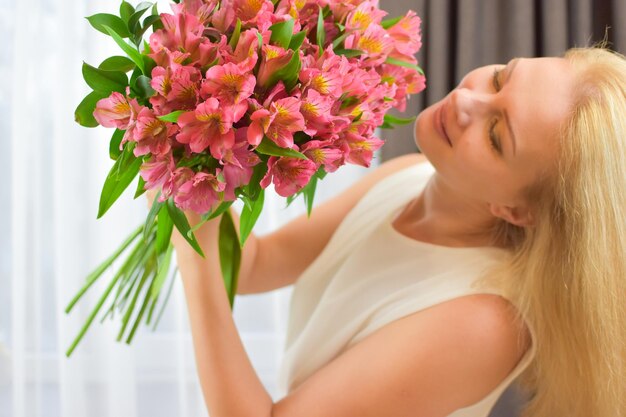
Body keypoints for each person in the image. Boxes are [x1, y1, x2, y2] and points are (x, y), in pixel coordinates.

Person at [146, 46, 626, 417]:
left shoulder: (484, 322)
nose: (465, 100)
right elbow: (256, 265)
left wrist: (193, 253)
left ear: (519, 210)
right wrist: (200, 151)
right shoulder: (410, 175)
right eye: (500, 77)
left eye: (497, 135)